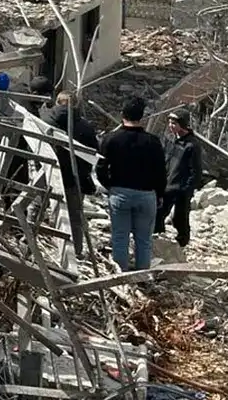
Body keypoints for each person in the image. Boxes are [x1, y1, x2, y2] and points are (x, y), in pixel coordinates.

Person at [96, 97, 164, 270]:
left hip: (120, 193)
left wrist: (110, 186)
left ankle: (120, 276)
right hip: (146, 195)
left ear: (122, 115)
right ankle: (142, 275)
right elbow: (161, 172)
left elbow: (100, 168)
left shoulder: (111, 139)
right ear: (142, 117)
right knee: (144, 240)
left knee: (120, 237)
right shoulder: (153, 141)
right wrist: (160, 194)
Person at [43, 90, 99, 256]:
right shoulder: (85, 127)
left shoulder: (44, 121)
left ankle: (30, 243)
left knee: (39, 209)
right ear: (76, 105)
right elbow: (94, 154)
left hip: (48, 175)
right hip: (75, 179)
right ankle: (76, 251)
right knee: (74, 217)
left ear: (57, 102)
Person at [157, 110, 205, 247]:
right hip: (168, 184)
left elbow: (196, 171)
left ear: (182, 124)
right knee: (159, 213)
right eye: (169, 122)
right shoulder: (170, 139)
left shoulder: (192, 145)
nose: (170, 126)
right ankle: (157, 238)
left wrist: (187, 188)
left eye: (174, 123)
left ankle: (182, 242)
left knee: (180, 217)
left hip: (182, 187)